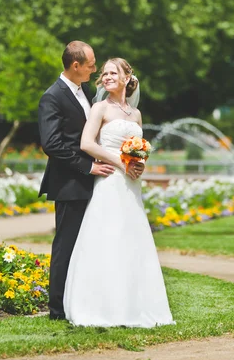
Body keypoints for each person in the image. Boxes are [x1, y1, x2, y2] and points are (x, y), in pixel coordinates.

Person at [64, 58, 174, 327]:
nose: (107, 76)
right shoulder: (100, 108)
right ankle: (101, 306)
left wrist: (138, 164)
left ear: (127, 78)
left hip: (130, 184)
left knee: (132, 237)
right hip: (111, 180)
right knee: (108, 236)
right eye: (104, 73)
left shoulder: (135, 115)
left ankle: (136, 305)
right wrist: (120, 163)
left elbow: (138, 149)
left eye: (114, 72)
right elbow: (87, 143)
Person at [38, 42, 143, 320]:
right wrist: (88, 166)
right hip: (70, 182)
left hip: (100, 182)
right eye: (91, 64)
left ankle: (92, 299)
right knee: (66, 245)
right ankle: (58, 310)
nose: (95, 70)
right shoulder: (53, 96)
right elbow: (52, 144)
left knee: (94, 243)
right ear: (76, 66)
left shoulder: (86, 92)